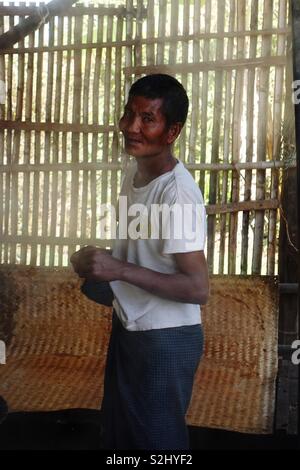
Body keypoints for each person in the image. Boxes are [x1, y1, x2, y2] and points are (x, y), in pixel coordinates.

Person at [70, 74, 209, 450]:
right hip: (132, 327)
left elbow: (197, 288)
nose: (132, 127)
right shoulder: (135, 173)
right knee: (122, 439)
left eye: (148, 118)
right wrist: (98, 260)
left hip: (165, 339)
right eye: (129, 114)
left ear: (171, 131)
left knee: (157, 447)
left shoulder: (176, 194)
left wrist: (117, 269)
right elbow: (142, 254)